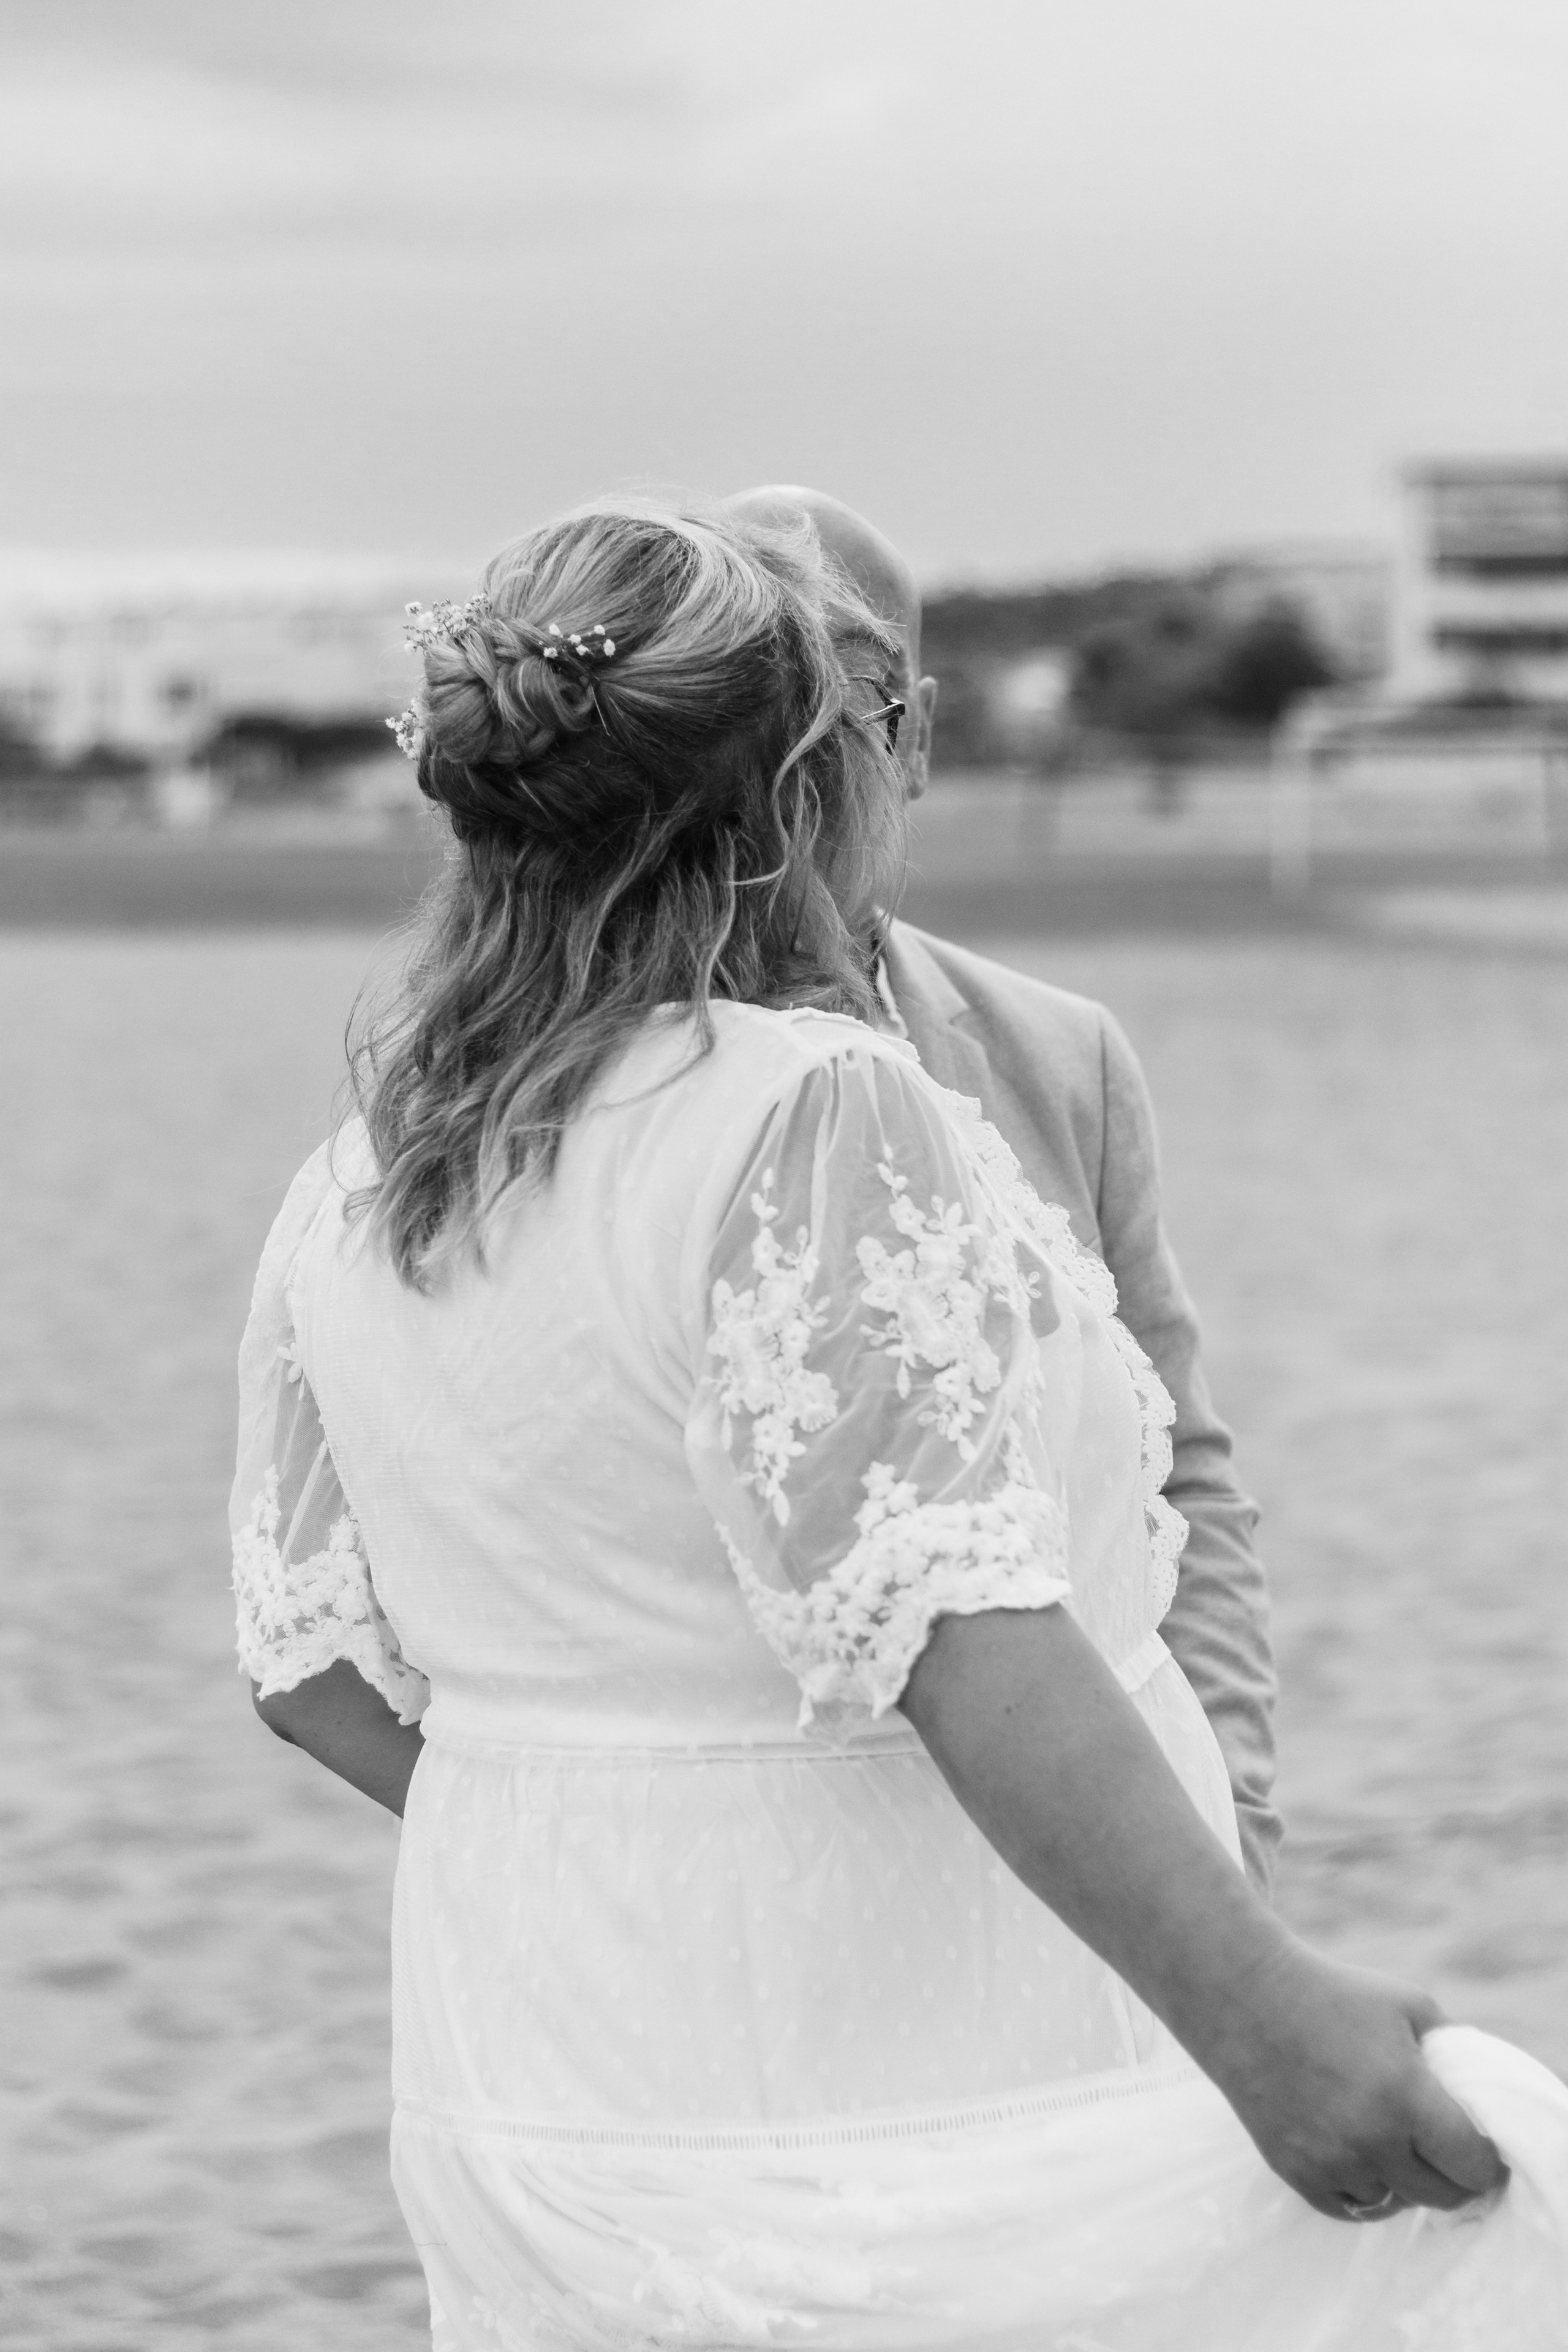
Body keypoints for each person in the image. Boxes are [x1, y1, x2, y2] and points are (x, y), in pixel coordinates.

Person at [233, 498, 1566, 2350]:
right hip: (913, 2054)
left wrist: (627, 1828)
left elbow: (308, 1674)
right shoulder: (806, 1109)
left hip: (547, 2060)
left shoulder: (355, 1179)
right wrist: (1259, 2013)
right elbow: (955, 1633)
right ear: (793, 790)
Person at [725, 484, 1282, 1890]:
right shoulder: (589, 1076)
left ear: (910, 733)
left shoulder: (1061, 1056)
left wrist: (1224, 1821)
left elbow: (1182, 1477)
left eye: (830, 708)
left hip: (1101, 1862)